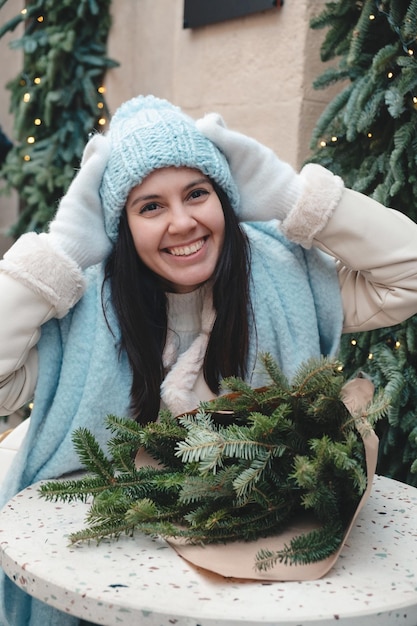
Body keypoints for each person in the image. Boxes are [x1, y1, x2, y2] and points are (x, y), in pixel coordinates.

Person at [1, 94, 417, 626]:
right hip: (110, 553)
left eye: (197, 194)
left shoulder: (283, 276)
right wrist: (58, 254)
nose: (181, 223)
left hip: (257, 551)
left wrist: (294, 196)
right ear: (120, 226)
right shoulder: (84, 309)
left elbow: (405, 278)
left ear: (225, 197)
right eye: (150, 206)